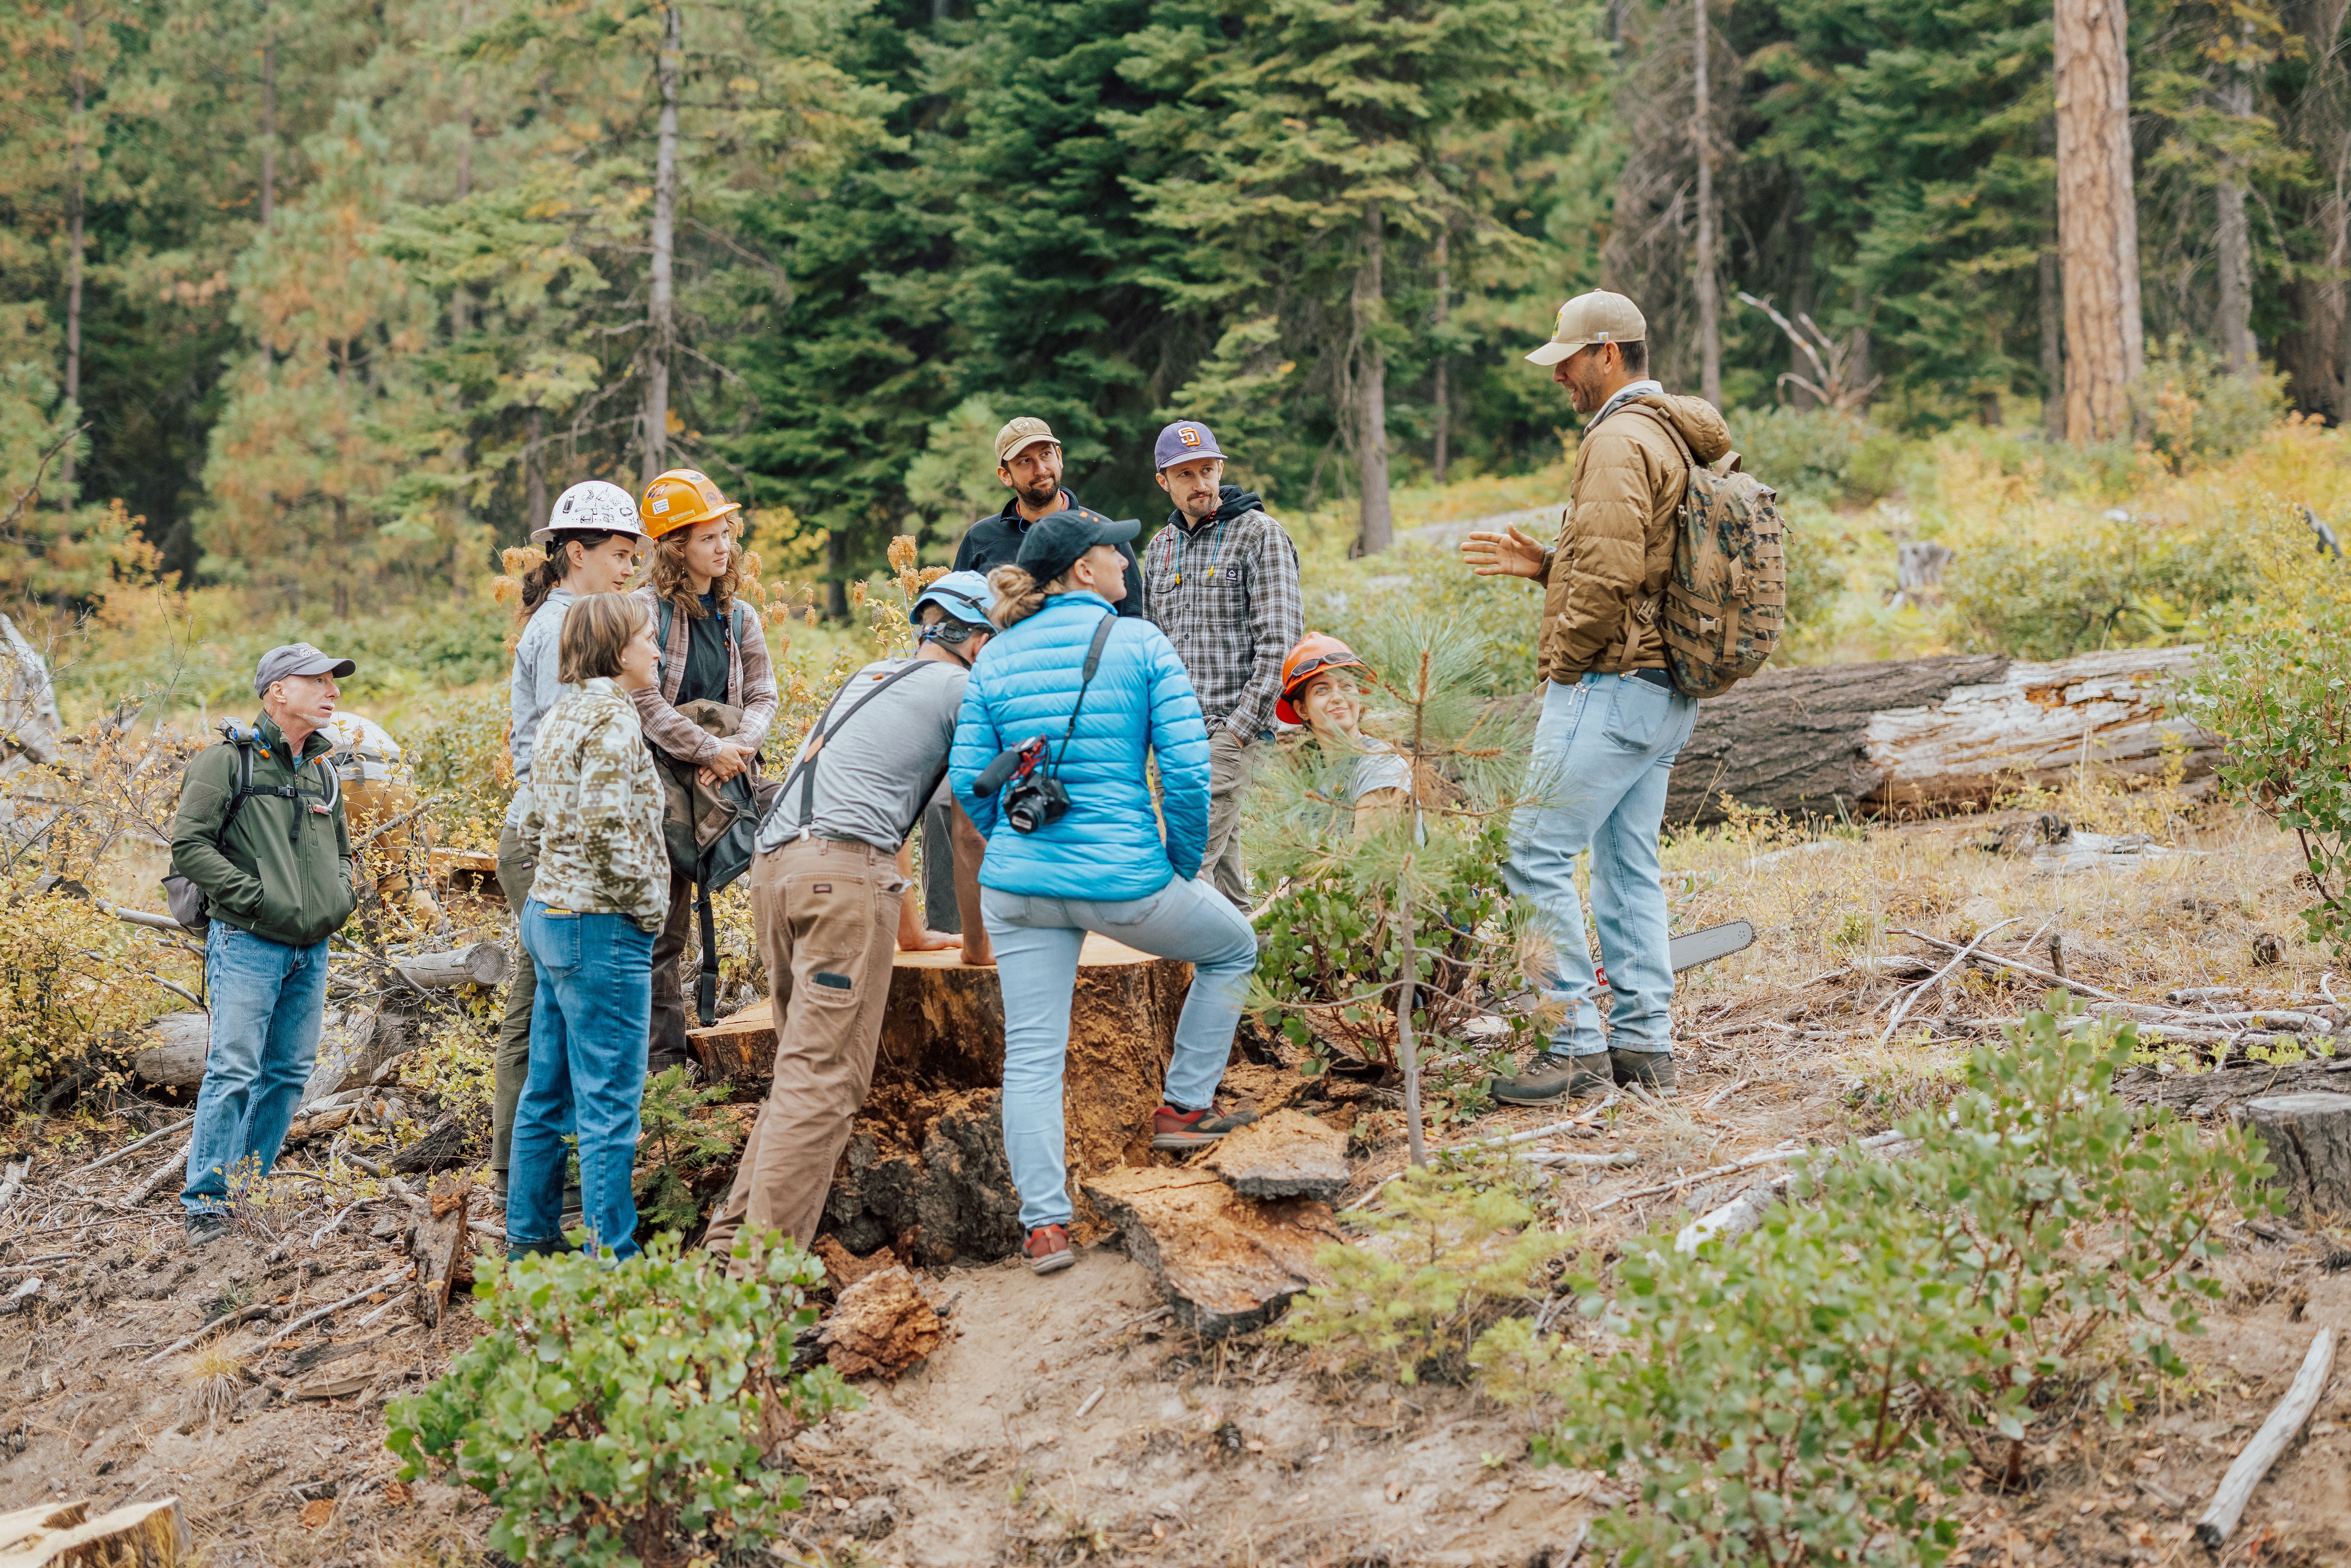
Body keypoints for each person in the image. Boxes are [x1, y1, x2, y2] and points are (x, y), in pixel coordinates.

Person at [951, 508, 1261, 1277]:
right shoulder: (1141, 643)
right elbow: (1188, 774)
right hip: (1126, 882)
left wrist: (1021, 837)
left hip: (1019, 890)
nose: (1129, 559)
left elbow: (969, 785)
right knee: (1234, 947)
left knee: (1031, 1058)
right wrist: (1180, 866)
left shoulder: (993, 658)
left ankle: (1046, 1229)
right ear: (1081, 571)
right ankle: (1184, 1108)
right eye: (1113, 551)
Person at [1461, 290, 1729, 1102]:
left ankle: (1573, 1046)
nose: (1561, 379)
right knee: (1626, 865)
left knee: (1532, 853)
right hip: (1665, 690)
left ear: (1608, 352)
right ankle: (1646, 1048)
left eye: (1569, 362)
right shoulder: (1674, 435)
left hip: (1612, 687)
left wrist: (1568, 666)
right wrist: (1549, 566)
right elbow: (1641, 561)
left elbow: (1613, 577)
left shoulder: (1616, 440)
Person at [701, 571, 998, 1260]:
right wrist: (978, 947)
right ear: (981, 640)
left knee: (799, 1075)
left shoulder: (872, 675)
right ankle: (758, 1281)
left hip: (776, 871)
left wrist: (912, 933)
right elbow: (968, 831)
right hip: (839, 879)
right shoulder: (965, 692)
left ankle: (723, 1254)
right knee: (824, 1085)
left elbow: (880, 803)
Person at [169, 644, 360, 1246]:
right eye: (318, 681)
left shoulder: (323, 769)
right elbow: (190, 846)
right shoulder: (226, 762)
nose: (332, 691)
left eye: (334, 682)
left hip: (312, 946)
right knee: (233, 1069)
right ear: (277, 690)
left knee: (289, 1072)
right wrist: (252, 898)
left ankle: (247, 1189)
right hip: (248, 940)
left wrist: (342, 895)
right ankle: (205, 1202)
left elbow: (344, 852)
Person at [490, 479, 648, 1197]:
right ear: (575, 552)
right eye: (618, 555)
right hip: (555, 844)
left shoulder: (573, 616)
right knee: (546, 1012)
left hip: (549, 840)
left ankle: (526, 1190)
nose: (627, 570)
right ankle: (533, 1186)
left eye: (633, 557)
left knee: (545, 1004)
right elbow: (577, 774)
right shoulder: (569, 628)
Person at [506, 592, 670, 1259]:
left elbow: (534, 820)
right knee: (609, 1102)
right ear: (618, 650)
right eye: (648, 640)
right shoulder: (612, 717)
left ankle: (531, 1241)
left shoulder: (560, 713)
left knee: (546, 1092)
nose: (657, 651)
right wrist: (645, 903)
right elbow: (604, 824)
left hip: (549, 915)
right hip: (602, 923)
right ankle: (616, 1259)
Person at [937, 416, 1144, 935]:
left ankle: (1094, 928)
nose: (1040, 469)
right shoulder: (983, 539)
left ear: (1060, 457)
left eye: (1046, 455)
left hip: (1084, 708)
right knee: (972, 815)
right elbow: (957, 620)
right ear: (1005, 474)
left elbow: (1133, 622)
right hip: (1001, 703)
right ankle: (967, 932)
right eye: (1025, 461)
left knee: (1079, 816)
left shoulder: (1102, 533)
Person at [631, 468, 778, 1073]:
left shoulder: (739, 615)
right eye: (708, 537)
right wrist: (703, 750)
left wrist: (737, 750)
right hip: (658, 782)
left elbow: (764, 693)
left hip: (729, 771)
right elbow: (641, 699)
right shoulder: (642, 610)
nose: (724, 547)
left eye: (726, 534)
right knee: (663, 930)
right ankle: (662, 1066)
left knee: (801, 819)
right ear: (674, 547)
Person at [1138, 420, 1303, 912]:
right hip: (1174, 734)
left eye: (1207, 469)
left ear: (1220, 467)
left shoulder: (1259, 534)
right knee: (1223, 878)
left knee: (1187, 864)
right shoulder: (1159, 548)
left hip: (1229, 730)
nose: (1201, 483)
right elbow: (1155, 649)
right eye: (1185, 474)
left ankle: (1187, 978)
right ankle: (1251, 969)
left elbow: (1281, 644)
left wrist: (1236, 733)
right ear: (1163, 481)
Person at [1275, 633, 1410, 837]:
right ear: (1302, 709)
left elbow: (1368, 858)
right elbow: (1291, 855)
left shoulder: (1381, 763)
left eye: (1346, 686)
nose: (1338, 697)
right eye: (1322, 690)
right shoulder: (1303, 774)